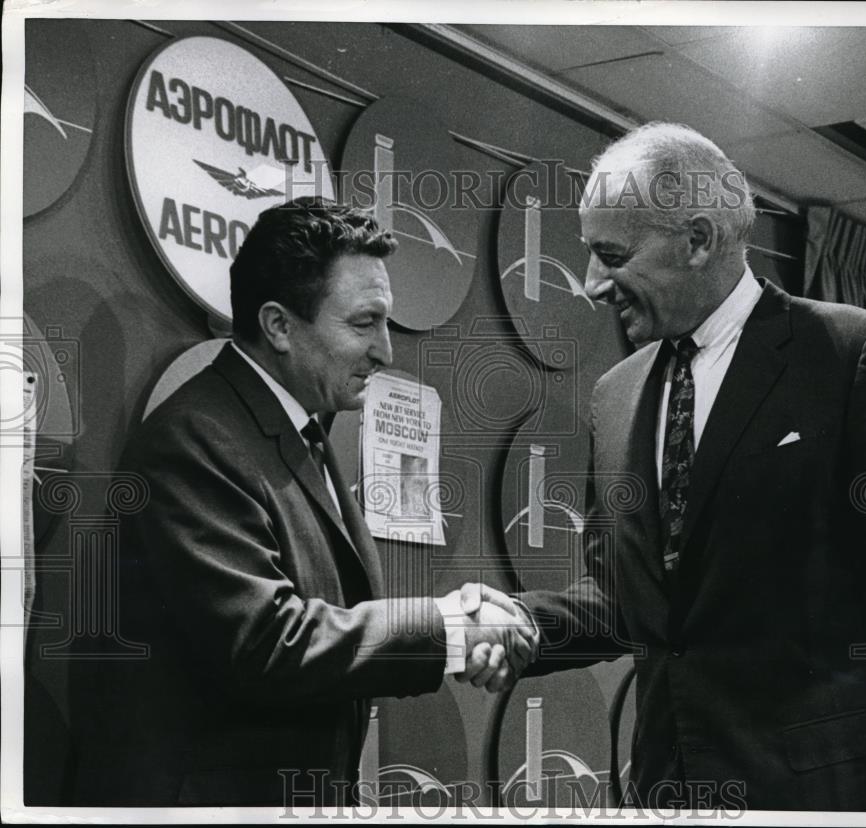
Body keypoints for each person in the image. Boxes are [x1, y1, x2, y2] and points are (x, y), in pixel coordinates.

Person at [468, 122, 866, 812]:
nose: (590, 285)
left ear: (698, 240)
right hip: (664, 793)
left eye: (611, 255)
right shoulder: (615, 398)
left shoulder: (854, 356)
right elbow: (628, 600)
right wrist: (521, 620)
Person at [69, 198, 535, 807]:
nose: (386, 351)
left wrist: (463, 631)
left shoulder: (295, 432)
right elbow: (271, 642)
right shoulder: (193, 440)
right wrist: (454, 627)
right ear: (279, 326)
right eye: (364, 323)